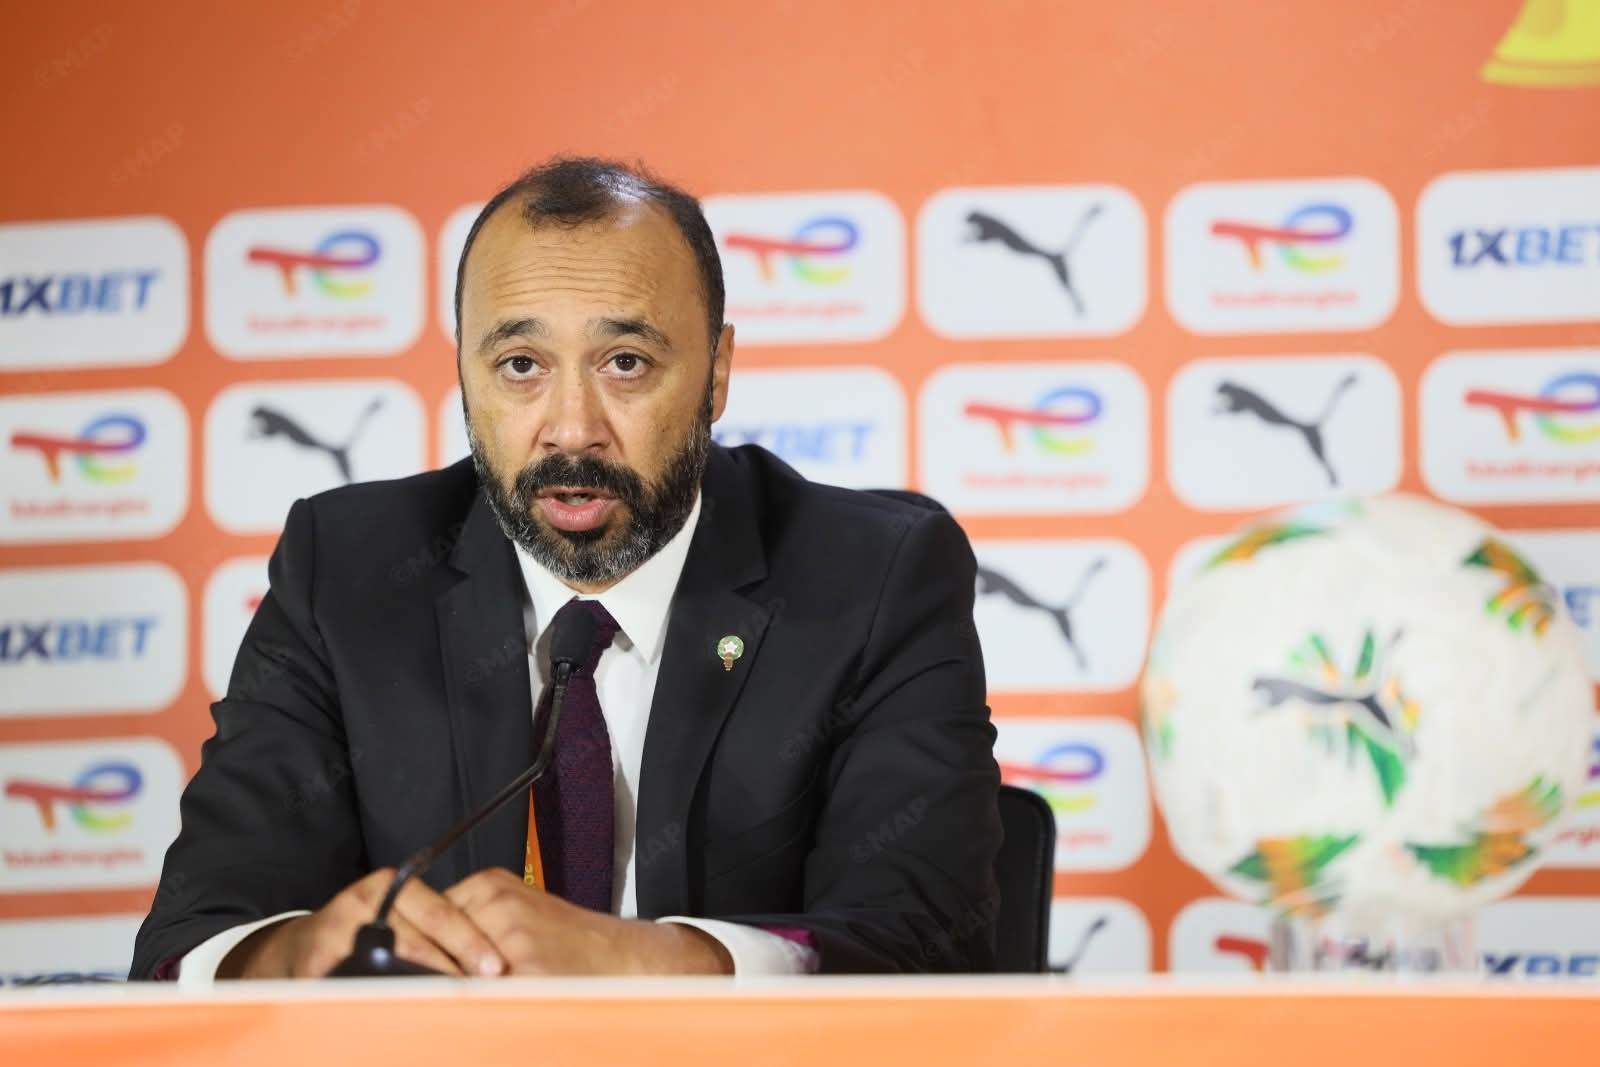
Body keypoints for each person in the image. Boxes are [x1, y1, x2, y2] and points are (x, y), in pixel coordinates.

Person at [131, 158, 1002, 980]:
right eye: (521, 366)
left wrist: (647, 962)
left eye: (626, 363)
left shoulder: (874, 577)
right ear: (464, 373)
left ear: (717, 372)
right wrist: (297, 953)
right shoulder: (348, 574)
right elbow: (190, 941)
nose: (572, 429)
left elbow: (929, 942)